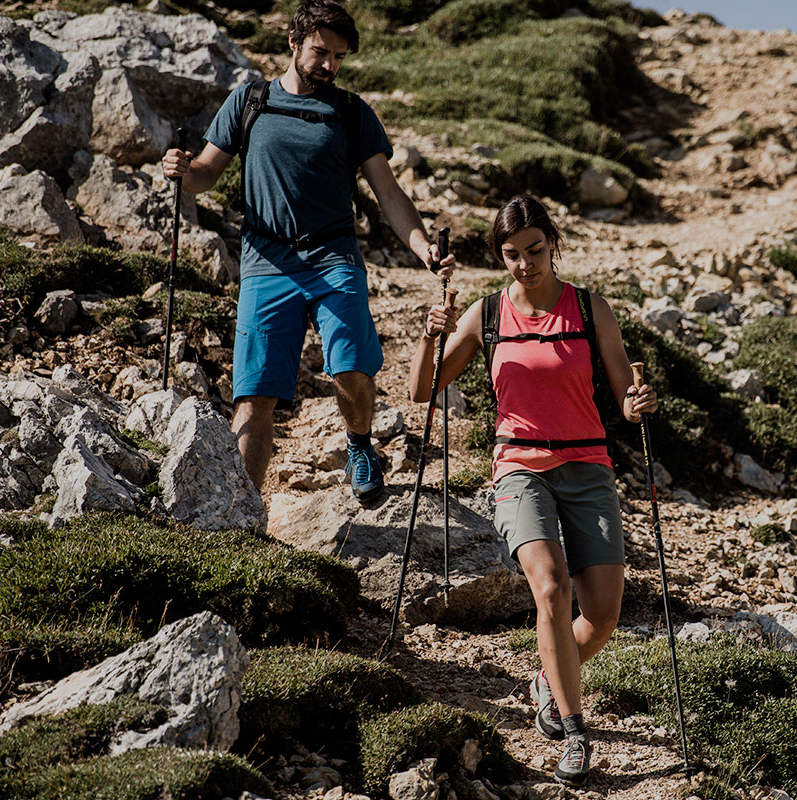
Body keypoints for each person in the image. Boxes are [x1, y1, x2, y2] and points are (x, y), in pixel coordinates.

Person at [408, 195, 657, 788]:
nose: (525, 265)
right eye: (512, 255)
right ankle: (574, 732)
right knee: (549, 589)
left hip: (589, 466)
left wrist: (636, 403)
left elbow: (624, 395)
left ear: (554, 245)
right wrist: (428, 336)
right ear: (501, 257)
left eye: (535, 251)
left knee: (601, 616)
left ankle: (549, 674)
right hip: (519, 468)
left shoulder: (590, 309)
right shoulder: (486, 314)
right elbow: (423, 390)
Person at [162, 0, 453, 505]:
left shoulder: (350, 112)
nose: (330, 65)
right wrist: (182, 172)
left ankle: (359, 446)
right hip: (266, 262)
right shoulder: (250, 100)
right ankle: (243, 513)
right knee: (254, 397)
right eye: (322, 52)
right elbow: (206, 173)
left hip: (333, 258)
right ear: (293, 43)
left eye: (340, 57)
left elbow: (389, 193)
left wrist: (423, 247)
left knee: (352, 369)